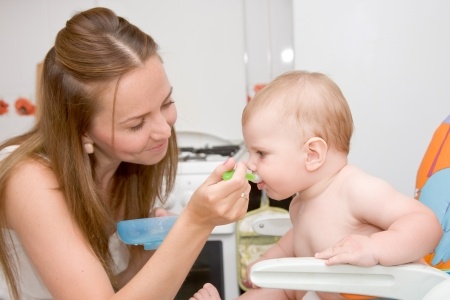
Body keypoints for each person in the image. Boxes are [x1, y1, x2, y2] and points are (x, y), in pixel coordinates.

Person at [0, 7, 251, 300]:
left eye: (166, 103)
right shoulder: (29, 180)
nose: (164, 131)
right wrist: (195, 223)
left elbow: (115, 287)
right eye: (137, 124)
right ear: (81, 131)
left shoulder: (128, 168)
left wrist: (157, 253)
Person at [191, 70, 443, 300]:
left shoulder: (355, 189)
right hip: (320, 290)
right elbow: (297, 239)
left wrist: (375, 248)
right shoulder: (301, 203)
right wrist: (269, 260)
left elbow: (426, 223)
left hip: (383, 293)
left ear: (312, 154)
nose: (250, 165)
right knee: (279, 290)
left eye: (261, 153)